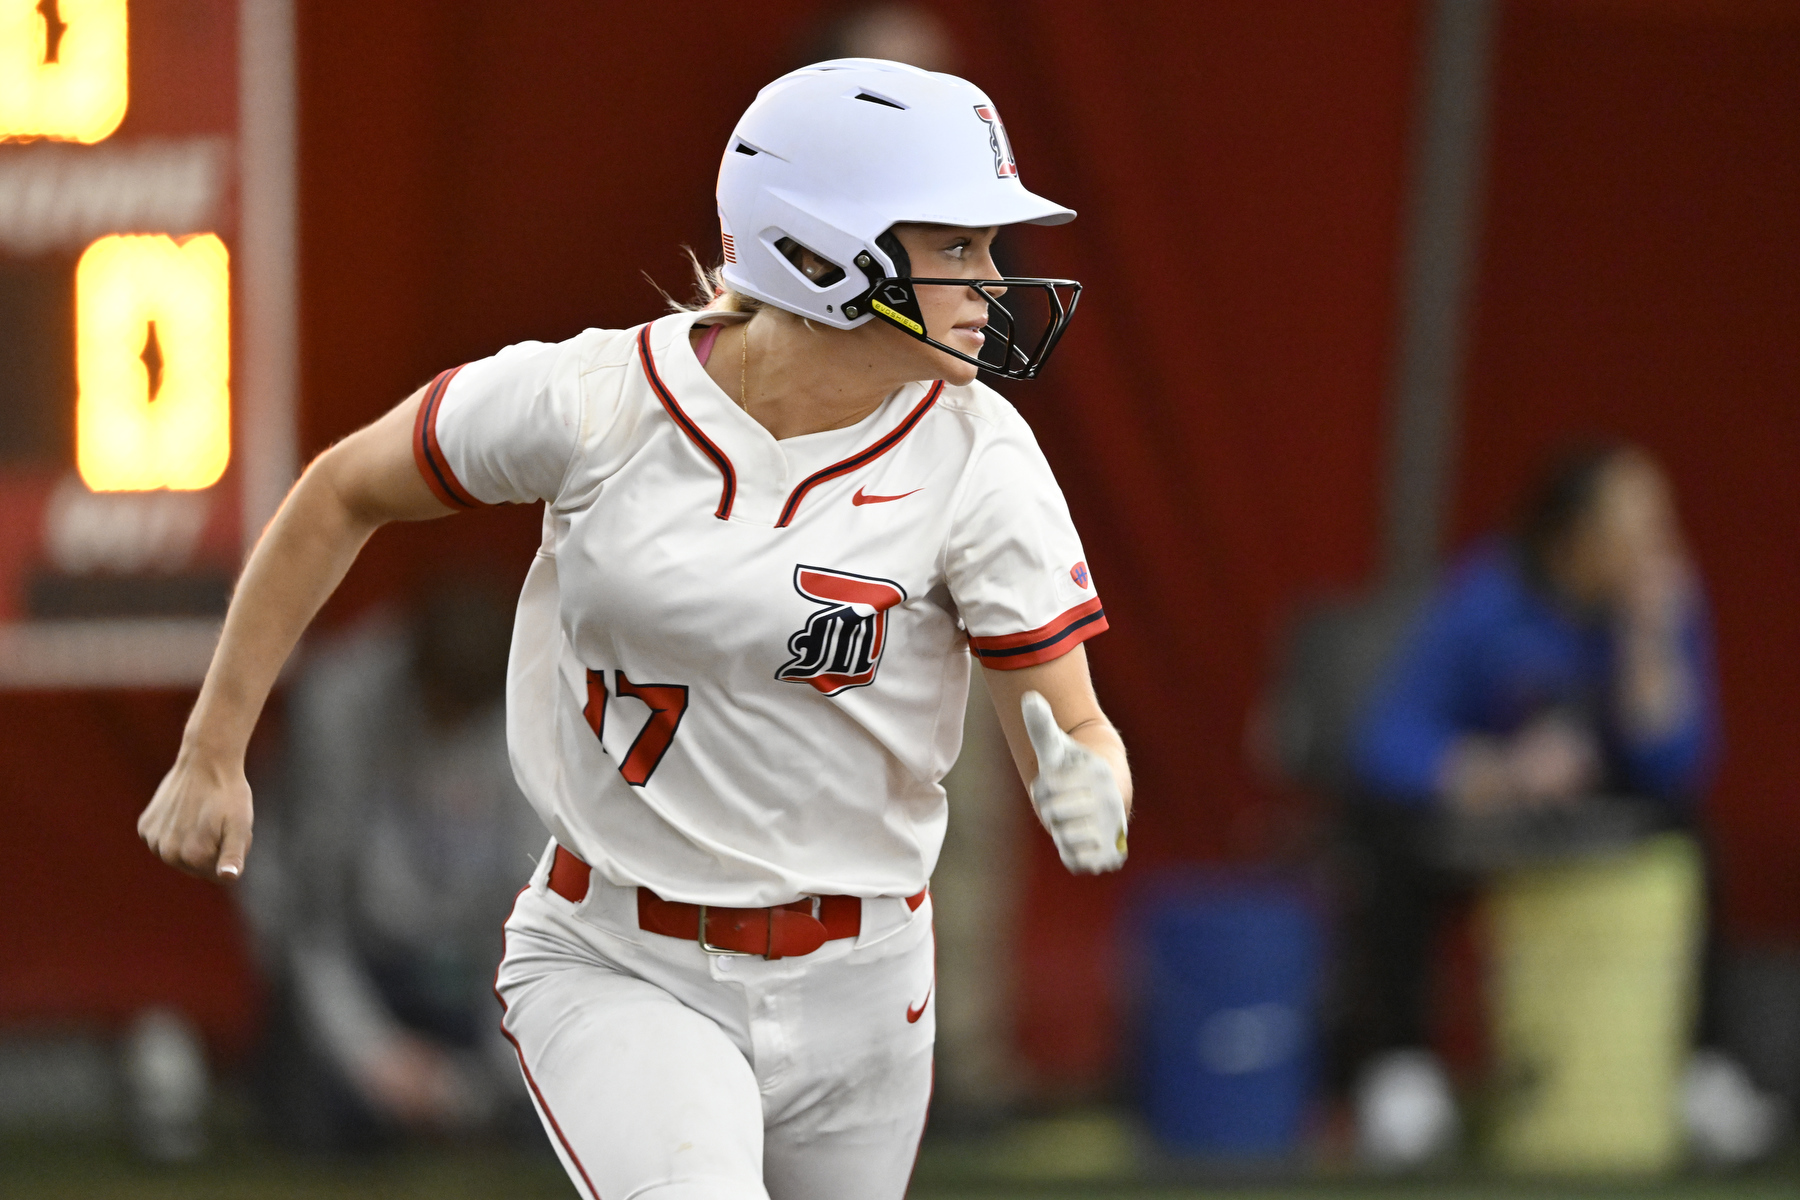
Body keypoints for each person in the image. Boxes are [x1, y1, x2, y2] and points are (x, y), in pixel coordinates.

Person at [137, 59, 1131, 1200]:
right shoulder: (600, 399)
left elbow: (1069, 720)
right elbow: (341, 490)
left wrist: (1087, 769)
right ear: (816, 253)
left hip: (869, 985)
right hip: (627, 958)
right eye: (956, 246)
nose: (992, 282)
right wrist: (211, 752)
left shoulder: (982, 452)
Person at [1343, 443, 1728, 1166]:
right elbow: (1386, 738)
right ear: (1575, 535)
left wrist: (1650, 645)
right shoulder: (1485, 595)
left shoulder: (1663, 602)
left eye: (1661, 528)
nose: (1658, 548)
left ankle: (1702, 1072)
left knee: (1697, 840)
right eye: (1636, 530)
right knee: (1382, 834)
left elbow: (1680, 767)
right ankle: (1403, 1076)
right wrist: (1494, 770)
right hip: (1493, 813)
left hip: (1599, 821)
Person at [257, 585, 545, 1147]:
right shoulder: (338, 710)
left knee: (553, 1108)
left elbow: (534, 904)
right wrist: (375, 1057)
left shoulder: (536, 707)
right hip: (362, 964)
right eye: (443, 709)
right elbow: (310, 922)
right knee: (324, 1122)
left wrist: (495, 1064)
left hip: (474, 971)